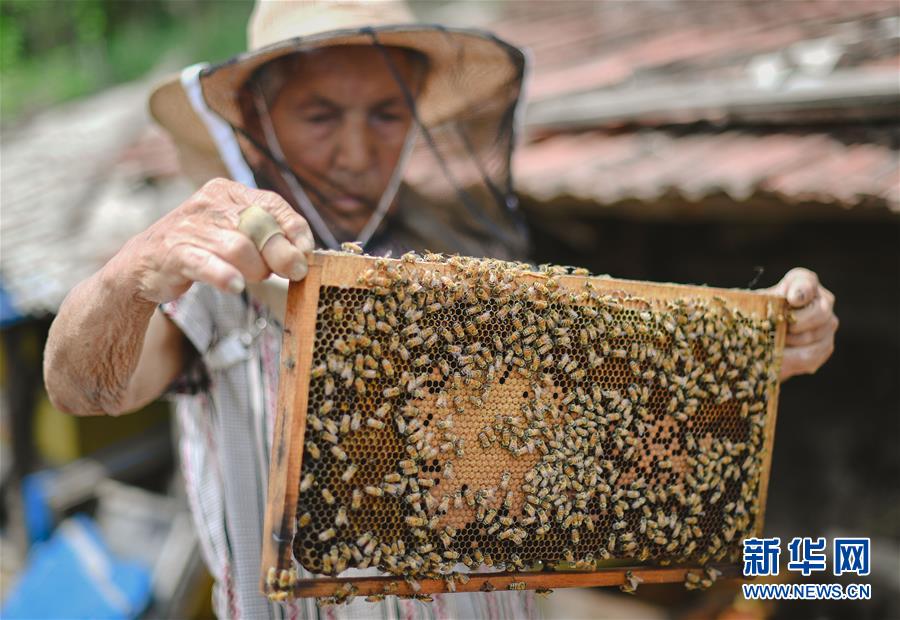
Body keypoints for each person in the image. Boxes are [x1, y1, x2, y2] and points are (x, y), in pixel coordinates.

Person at [43, 1, 838, 618]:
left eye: (386, 115)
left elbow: (610, 446)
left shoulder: (480, 276)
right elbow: (84, 390)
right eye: (321, 116)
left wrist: (763, 339)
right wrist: (131, 276)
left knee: (838, 566)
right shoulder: (207, 279)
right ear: (256, 119)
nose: (356, 150)